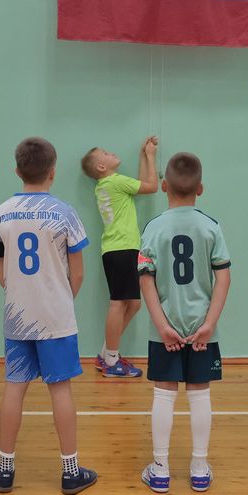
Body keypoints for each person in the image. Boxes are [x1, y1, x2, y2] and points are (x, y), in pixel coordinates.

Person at [0, 137, 98, 495]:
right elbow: (77, 273)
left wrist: (21, 294)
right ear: (53, 171)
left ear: (17, 170)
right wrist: (58, 299)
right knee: (60, 389)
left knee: (14, 387)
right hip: (55, 318)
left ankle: (5, 470)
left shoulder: (2, 211)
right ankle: (70, 471)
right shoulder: (65, 212)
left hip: (17, 317)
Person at [137, 152, 231, 494]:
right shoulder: (211, 226)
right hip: (202, 329)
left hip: (166, 328)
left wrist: (162, 326)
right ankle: (199, 468)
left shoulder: (153, 227)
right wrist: (209, 324)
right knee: (199, 393)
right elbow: (223, 279)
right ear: (200, 188)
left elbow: (145, 279)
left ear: (164, 186)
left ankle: (160, 470)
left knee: (164, 393)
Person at [80, 137, 159, 378]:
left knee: (133, 304)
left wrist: (143, 155)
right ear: (101, 167)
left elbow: (143, 184)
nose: (111, 151)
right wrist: (151, 156)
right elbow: (152, 186)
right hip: (122, 249)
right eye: (105, 152)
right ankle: (111, 361)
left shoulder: (107, 184)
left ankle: (106, 354)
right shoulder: (116, 181)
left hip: (119, 249)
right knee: (118, 303)